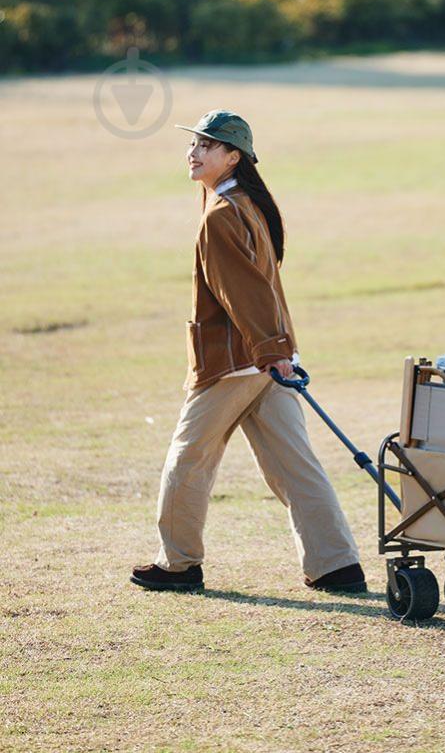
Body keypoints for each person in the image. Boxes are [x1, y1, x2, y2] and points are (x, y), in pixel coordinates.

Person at [131, 110, 366, 594]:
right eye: (194, 144)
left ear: (233, 157)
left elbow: (245, 291)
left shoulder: (221, 216)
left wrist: (270, 349)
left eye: (206, 146)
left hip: (238, 363)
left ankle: (178, 565)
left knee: (187, 458)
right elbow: (261, 286)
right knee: (295, 465)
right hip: (268, 362)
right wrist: (279, 352)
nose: (193, 153)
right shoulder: (245, 205)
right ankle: (336, 566)